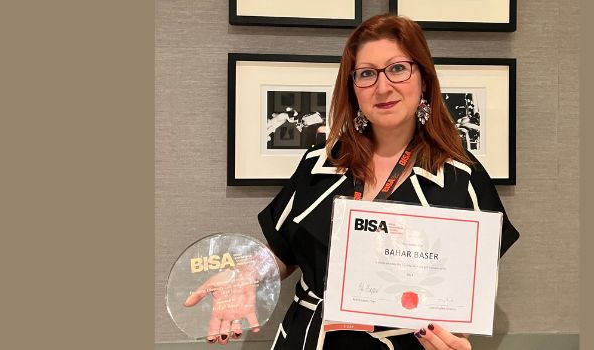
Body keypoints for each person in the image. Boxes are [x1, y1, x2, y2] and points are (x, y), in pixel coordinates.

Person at [191, 14, 520, 350]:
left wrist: (453, 337)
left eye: (397, 68)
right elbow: (282, 252)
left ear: (423, 78)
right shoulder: (320, 163)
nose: (382, 86)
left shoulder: (461, 177)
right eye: (366, 74)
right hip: (309, 338)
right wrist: (245, 274)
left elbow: (467, 290)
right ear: (353, 88)